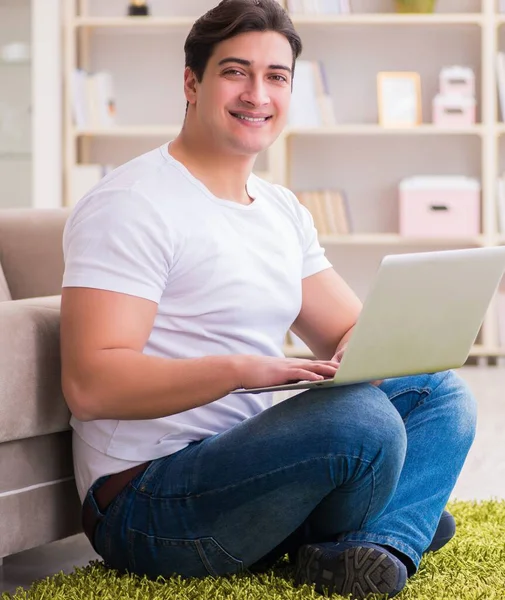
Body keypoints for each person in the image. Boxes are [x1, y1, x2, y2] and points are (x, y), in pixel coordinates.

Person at [60, 0, 477, 598]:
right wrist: (243, 372)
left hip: (246, 465)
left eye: (276, 77)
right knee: (361, 422)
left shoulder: (279, 208)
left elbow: (353, 331)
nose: (257, 93)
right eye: (235, 71)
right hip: (146, 500)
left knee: (437, 391)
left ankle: (376, 547)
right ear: (192, 82)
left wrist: (371, 349)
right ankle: (385, 523)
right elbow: (91, 383)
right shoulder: (132, 203)